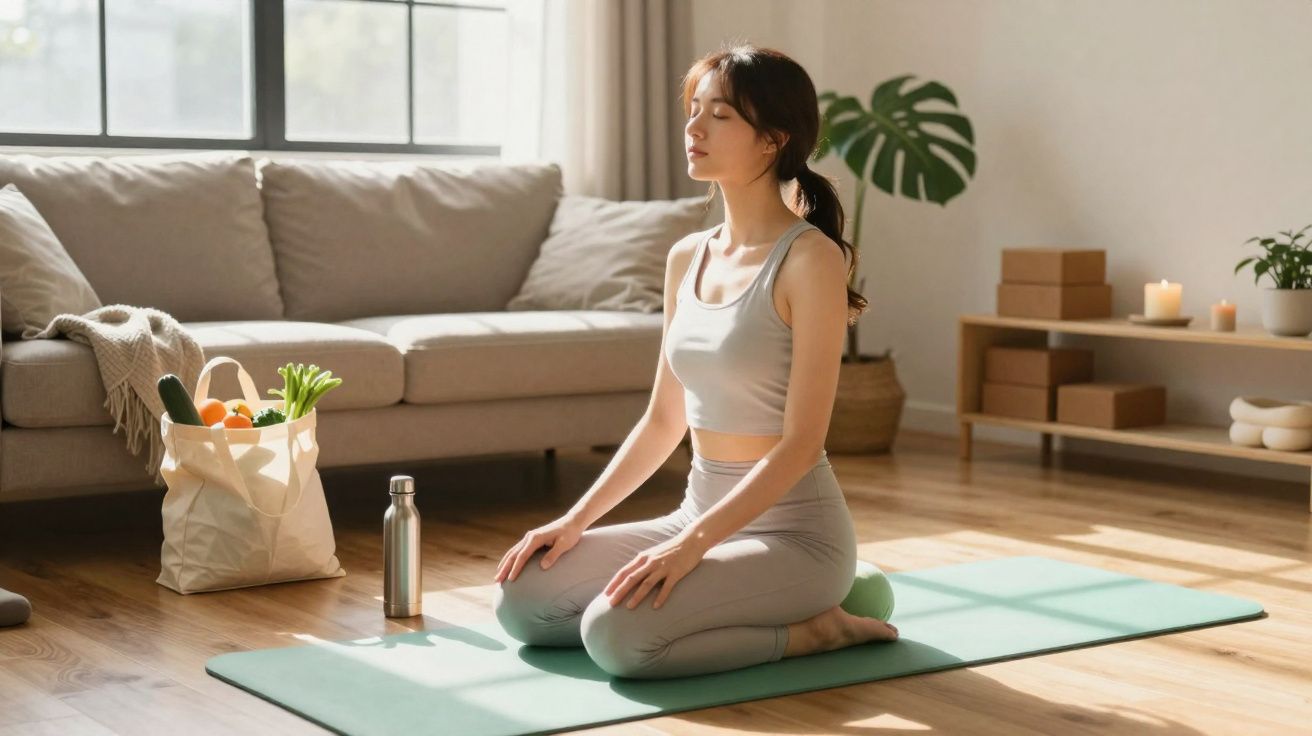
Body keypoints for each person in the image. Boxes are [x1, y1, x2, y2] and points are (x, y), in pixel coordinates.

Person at [492, 43, 898, 680]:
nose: (694, 127)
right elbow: (662, 422)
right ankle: (722, 597)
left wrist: (690, 547)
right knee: (524, 602)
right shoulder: (687, 255)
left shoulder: (808, 259)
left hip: (793, 537)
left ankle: (815, 630)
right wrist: (574, 522)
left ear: (773, 140)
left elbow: (801, 443)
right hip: (697, 512)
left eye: (722, 115)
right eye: (694, 110)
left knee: (616, 637)